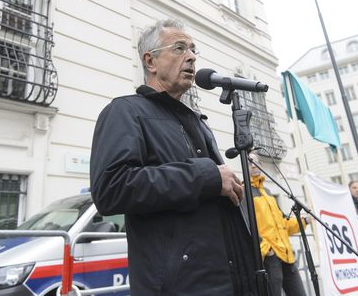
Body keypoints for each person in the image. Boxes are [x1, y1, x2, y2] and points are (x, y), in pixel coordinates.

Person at [90, 19, 258, 295]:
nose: (191, 57)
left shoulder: (197, 122)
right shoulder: (125, 111)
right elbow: (111, 188)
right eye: (180, 48)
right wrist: (207, 176)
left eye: (193, 50)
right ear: (150, 61)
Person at [247, 152, 308, 296]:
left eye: (255, 162)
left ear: (261, 166)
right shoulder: (245, 192)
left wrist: (304, 221)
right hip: (269, 258)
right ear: (245, 167)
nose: (252, 166)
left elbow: (283, 224)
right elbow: (246, 226)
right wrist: (267, 250)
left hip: (286, 255)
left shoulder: (268, 193)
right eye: (249, 163)